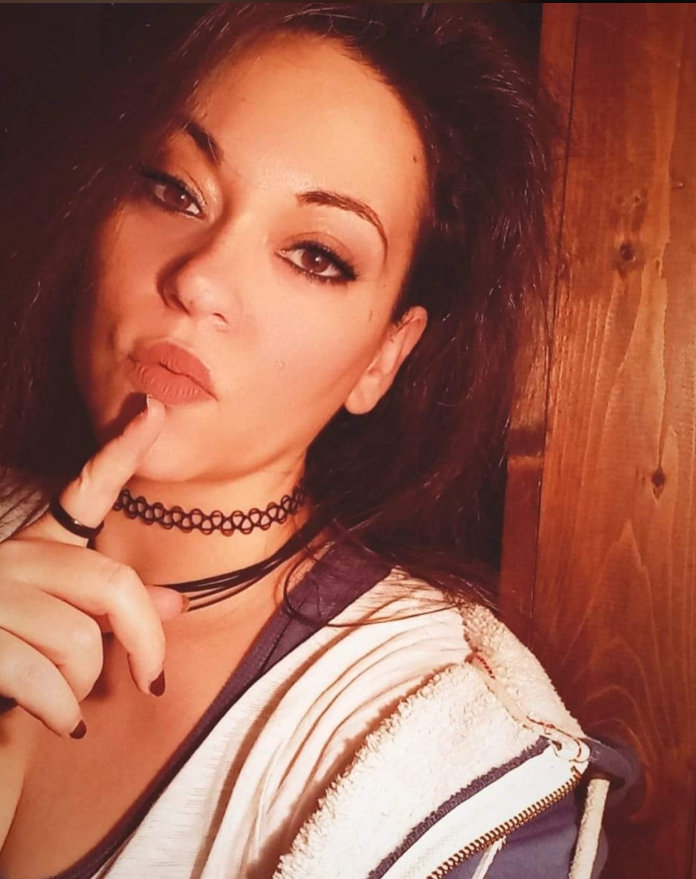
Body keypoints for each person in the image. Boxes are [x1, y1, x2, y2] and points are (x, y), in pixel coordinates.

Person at [0, 4, 635, 877]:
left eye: (315, 255)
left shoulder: (459, 779)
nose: (201, 280)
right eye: (174, 189)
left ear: (383, 357)